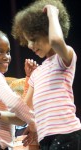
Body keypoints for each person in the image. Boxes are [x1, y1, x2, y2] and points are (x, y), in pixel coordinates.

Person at [11, 0, 81, 149]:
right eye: (27, 41)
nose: (30, 45)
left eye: (34, 39)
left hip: (66, 134)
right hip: (45, 139)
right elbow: (24, 110)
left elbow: (56, 40)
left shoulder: (64, 58)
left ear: (48, 30)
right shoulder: (37, 73)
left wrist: (52, 13)